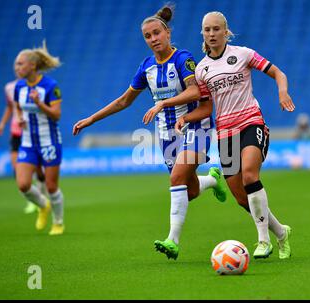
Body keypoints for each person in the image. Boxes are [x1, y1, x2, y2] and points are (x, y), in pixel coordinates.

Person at [73, 5, 227, 260]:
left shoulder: (183, 58)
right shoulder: (146, 67)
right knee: (187, 190)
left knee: (176, 178)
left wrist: (163, 103)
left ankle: (172, 241)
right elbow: (124, 101)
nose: (153, 39)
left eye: (157, 33)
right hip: (167, 134)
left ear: (167, 33)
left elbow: (195, 93)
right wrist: (91, 118)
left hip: (195, 126)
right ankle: (211, 180)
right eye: (148, 36)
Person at [167, 11, 295, 259]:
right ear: (202, 33)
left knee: (249, 175)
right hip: (225, 133)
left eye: (217, 29)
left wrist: (283, 92)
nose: (212, 34)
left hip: (251, 123)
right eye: (207, 30)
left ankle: (263, 241)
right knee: (240, 197)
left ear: (226, 32)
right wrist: (185, 117)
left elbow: (279, 73)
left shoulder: (244, 54)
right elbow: (206, 107)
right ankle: (281, 233)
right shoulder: (202, 70)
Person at [14, 41, 65, 235]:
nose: (16, 67)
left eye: (20, 64)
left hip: (49, 141)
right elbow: (18, 106)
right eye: (16, 64)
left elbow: (56, 115)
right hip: (28, 143)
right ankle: (43, 206)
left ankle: (58, 222)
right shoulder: (19, 87)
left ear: (32, 66)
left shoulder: (50, 86)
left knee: (51, 187)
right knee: (23, 185)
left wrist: (39, 103)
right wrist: (19, 117)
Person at [0, 72, 47, 215]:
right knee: (18, 170)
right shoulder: (9, 87)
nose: (19, 68)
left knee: (38, 170)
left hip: (31, 132)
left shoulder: (37, 86)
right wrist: (2, 123)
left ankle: (41, 195)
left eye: (21, 64)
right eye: (17, 65)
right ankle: (33, 201)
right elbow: (10, 107)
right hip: (16, 132)